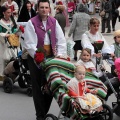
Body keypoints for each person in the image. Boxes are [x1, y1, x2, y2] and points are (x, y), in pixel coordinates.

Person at [23, 0, 67, 119]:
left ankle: (43, 113)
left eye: (46, 7)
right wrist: (39, 57)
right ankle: (40, 115)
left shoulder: (54, 21)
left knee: (51, 86)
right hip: (36, 58)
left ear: (49, 9)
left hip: (51, 57)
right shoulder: (31, 22)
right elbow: (30, 44)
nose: (44, 9)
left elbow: (61, 40)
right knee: (37, 88)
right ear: (37, 9)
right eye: (41, 7)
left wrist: (60, 55)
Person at [0, 6, 18, 77]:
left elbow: (15, 29)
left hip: (12, 42)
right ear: (3, 13)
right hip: (3, 43)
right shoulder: (0, 22)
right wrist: (5, 35)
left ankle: (12, 73)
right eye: (8, 12)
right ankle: (2, 73)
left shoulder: (12, 21)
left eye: (10, 12)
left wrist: (16, 33)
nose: (10, 14)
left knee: (13, 57)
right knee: (3, 58)